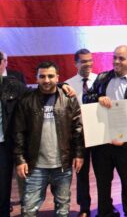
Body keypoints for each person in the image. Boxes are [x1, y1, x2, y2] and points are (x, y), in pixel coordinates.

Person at [83, 45, 127, 217]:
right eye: (115, 57)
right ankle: (105, 212)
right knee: (103, 181)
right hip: (102, 141)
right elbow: (86, 97)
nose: (117, 61)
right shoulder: (102, 78)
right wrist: (97, 97)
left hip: (125, 143)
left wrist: (126, 136)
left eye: (121, 58)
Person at [13, 61, 84, 216]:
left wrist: (79, 154)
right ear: (36, 78)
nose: (46, 80)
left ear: (57, 77)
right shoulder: (26, 100)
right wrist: (20, 159)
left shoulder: (68, 98)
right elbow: (18, 132)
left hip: (62, 165)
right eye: (42, 76)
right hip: (35, 166)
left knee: (63, 208)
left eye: (51, 76)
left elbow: (77, 129)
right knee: (29, 209)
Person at [65, 48, 98, 217]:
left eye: (90, 60)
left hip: (99, 134)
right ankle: (84, 208)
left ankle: (106, 204)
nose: (88, 64)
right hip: (79, 136)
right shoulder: (67, 85)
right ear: (75, 63)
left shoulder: (101, 80)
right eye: (84, 61)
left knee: (103, 172)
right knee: (82, 174)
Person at [0, 51, 30, 216]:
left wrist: (61, 86)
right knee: (3, 184)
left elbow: (33, 96)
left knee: (23, 180)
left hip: (17, 139)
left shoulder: (15, 80)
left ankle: (27, 210)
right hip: (2, 142)